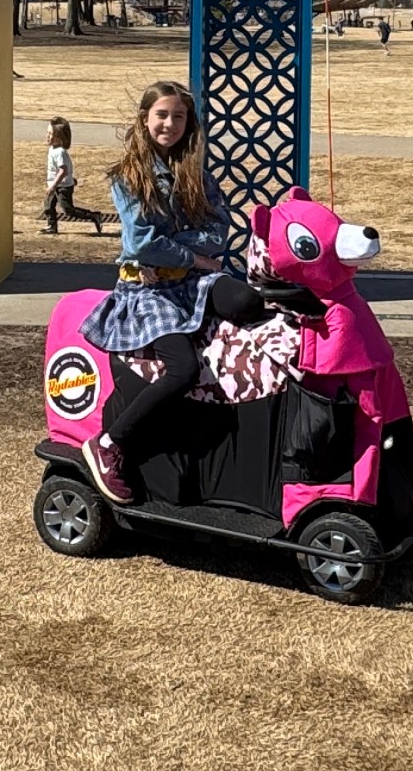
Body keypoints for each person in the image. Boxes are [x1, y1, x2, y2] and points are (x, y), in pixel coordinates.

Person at [76, 80, 266, 502]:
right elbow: (140, 244)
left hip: (192, 283)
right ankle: (109, 445)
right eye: (162, 115)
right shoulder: (127, 177)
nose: (170, 124)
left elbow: (220, 231)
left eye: (178, 116)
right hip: (149, 291)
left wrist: (183, 249)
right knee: (181, 368)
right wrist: (193, 254)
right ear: (144, 120)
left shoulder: (196, 174)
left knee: (250, 303)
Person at [41, 117, 108, 235]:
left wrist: (53, 186)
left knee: (68, 210)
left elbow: (63, 171)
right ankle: (52, 226)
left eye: (51, 134)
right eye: (47, 132)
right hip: (55, 184)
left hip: (62, 186)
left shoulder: (60, 152)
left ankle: (94, 216)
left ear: (61, 138)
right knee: (48, 205)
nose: (47, 136)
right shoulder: (52, 149)